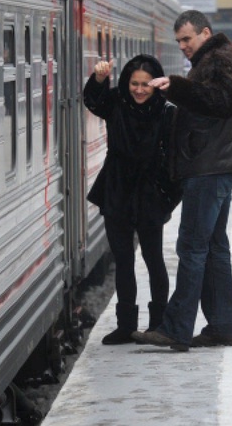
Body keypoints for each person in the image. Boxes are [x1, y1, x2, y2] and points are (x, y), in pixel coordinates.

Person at [132, 10, 232, 352]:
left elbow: (223, 102)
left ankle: (176, 328)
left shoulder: (217, 60)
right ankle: (222, 327)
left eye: (188, 38)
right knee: (213, 248)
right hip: (217, 163)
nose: (183, 46)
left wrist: (178, 87)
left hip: (210, 167)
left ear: (205, 32)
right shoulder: (218, 58)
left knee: (192, 247)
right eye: (179, 41)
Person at [84, 54, 178, 345]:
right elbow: (92, 101)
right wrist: (99, 79)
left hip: (151, 191)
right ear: (126, 83)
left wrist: (167, 195)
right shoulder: (116, 101)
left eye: (146, 85)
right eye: (134, 84)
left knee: (153, 259)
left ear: (156, 85)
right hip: (117, 187)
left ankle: (159, 323)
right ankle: (126, 325)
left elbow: (177, 156)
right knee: (123, 259)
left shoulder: (167, 110)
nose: (139, 90)